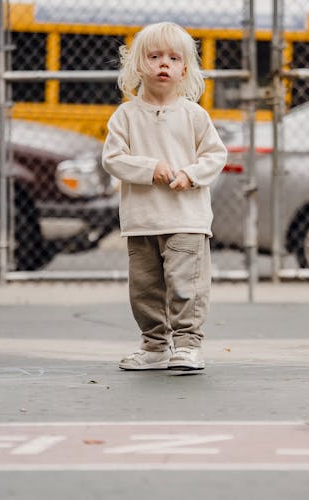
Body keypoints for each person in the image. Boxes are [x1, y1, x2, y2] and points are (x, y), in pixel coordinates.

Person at [102, 22, 227, 371]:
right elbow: (112, 159)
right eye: (154, 57)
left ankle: (187, 345)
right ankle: (155, 346)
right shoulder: (125, 116)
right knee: (145, 289)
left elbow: (215, 156)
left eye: (173, 58)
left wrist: (190, 174)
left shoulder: (194, 115)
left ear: (184, 69)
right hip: (141, 221)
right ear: (139, 65)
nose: (163, 64)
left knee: (186, 285)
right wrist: (149, 167)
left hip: (187, 220)